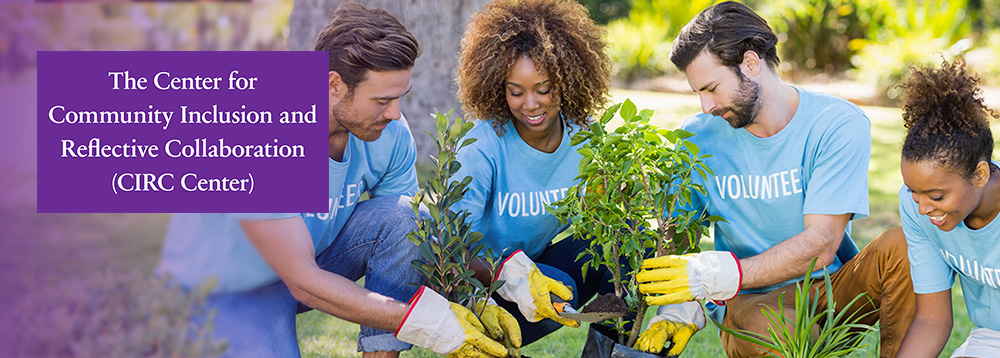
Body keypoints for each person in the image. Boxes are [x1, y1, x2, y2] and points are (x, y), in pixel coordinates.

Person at [156, 3, 518, 358]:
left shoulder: (388, 133)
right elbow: (303, 282)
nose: (394, 114)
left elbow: (411, 238)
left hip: (306, 264)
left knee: (406, 217)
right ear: (333, 84)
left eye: (399, 98)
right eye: (382, 100)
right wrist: (427, 321)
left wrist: (476, 293)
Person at [632, 2, 915, 357]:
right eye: (698, 93)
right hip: (753, 303)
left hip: (832, 295)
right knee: (773, 332)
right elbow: (675, 233)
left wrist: (722, 275)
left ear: (751, 63)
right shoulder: (697, 139)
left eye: (712, 88)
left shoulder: (837, 123)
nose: (706, 106)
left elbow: (822, 245)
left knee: (902, 247)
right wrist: (678, 308)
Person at [451, 0, 614, 345]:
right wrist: (511, 277)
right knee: (557, 290)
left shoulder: (584, 138)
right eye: (516, 91)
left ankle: (612, 352)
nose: (531, 104)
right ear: (498, 87)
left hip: (538, 272)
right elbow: (451, 246)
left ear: (568, 80)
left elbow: (607, 226)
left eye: (544, 89)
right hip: (483, 288)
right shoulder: (481, 146)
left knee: (621, 245)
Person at [895, 59, 1000, 357]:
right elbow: (932, 319)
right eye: (914, 192)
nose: (923, 208)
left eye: (937, 196)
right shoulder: (917, 209)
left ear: (980, 175)